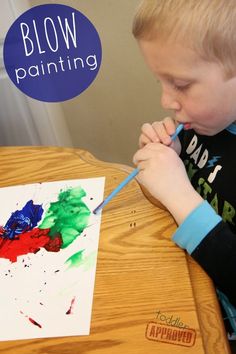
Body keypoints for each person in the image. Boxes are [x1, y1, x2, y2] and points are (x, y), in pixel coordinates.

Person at [132, 0, 236, 336]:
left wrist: (179, 196)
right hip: (182, 278)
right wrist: (171, 158)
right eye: (160, 82)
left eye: (180, 84)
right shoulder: (204, 123)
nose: (166, 101)